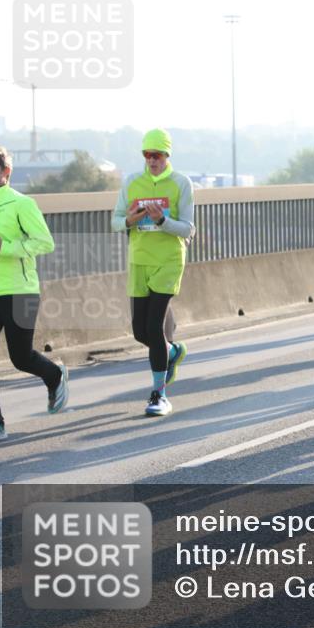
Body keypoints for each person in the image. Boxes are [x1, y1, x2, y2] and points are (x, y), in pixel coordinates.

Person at [0, 144, 68, 444]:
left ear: (6, 171)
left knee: (21, 358)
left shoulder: (21, 204)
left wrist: (4, 247)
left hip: (20, 291)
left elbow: (45, 243)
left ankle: (55, 376)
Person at [112, 129, 195, 416]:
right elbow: (114, 221)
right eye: (147, 155)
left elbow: (188, 228)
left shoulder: (181, 183)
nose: (151, 161)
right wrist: (130, 220)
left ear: (167, 156)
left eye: (156, 155)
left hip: (169, 260)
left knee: (154, 327)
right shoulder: (132, 182)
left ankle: (159, 395)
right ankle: (172, 352)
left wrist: (162, 220)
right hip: (139, 261)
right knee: (139, 332)